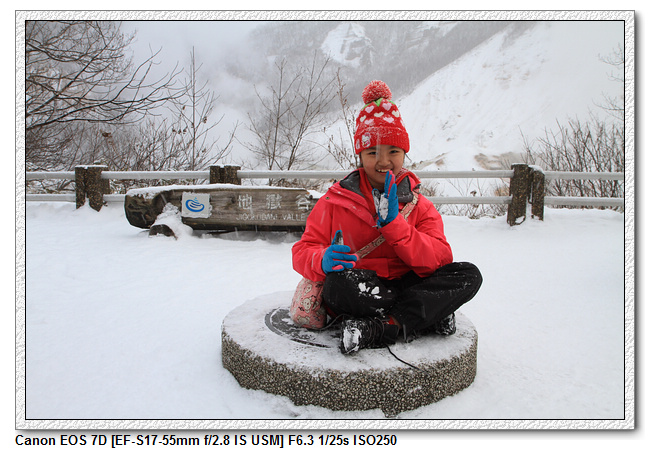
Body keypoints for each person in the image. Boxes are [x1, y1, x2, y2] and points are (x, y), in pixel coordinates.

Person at [291, 80, 482, 355]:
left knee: (467, 275)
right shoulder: (334, 202)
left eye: (393, 151)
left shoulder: (419, 205)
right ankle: (423, 316)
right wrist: (321, 259)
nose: (383, 162)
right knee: (337, 285)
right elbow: (302, 251)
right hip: (364, 288)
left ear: (404, 153)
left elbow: (439, 260)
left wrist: (396, 227)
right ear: (360, 155)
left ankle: (385, 326)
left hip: (408, 282)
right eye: (372, 153)